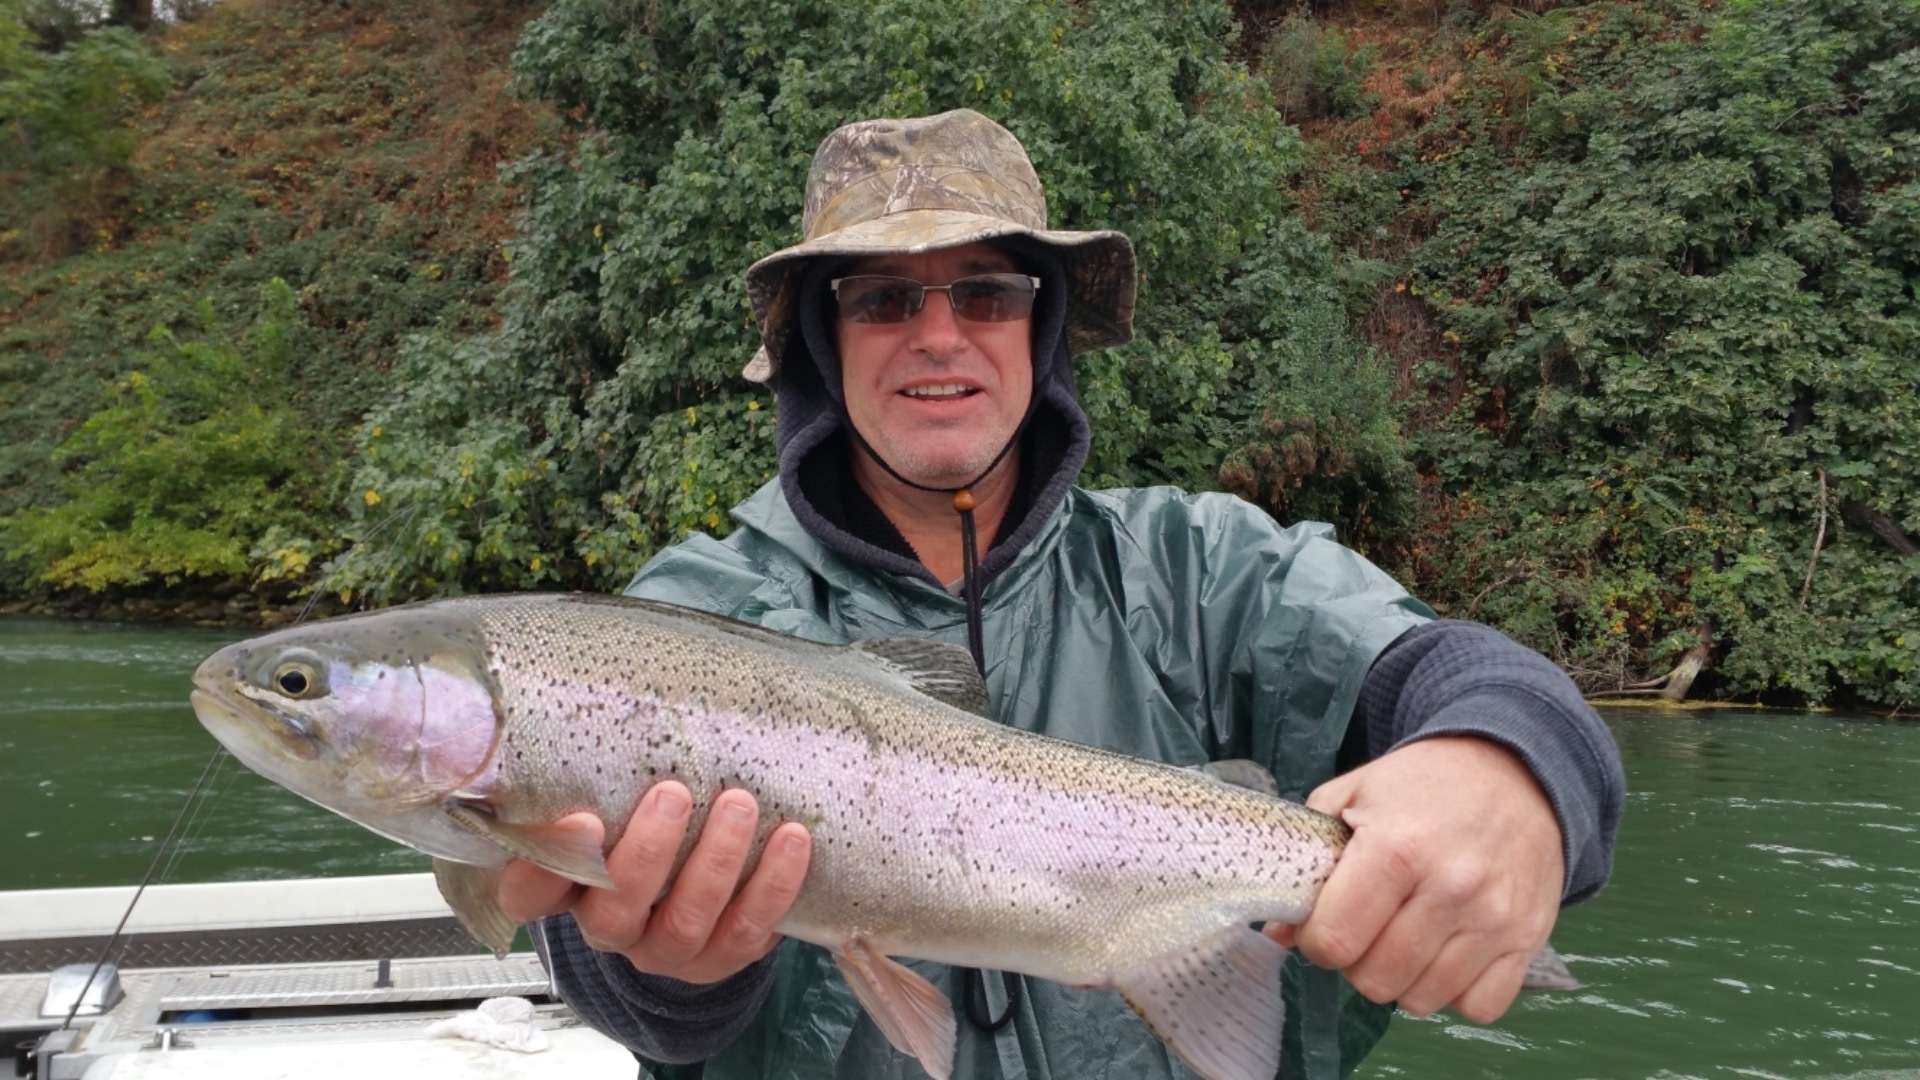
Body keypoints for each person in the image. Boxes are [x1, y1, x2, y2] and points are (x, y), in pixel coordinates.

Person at [498, 109, 1625, 1080]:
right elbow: (601, 976)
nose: (939, 336)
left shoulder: (1200, 566)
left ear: (1042, 328)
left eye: (986, 293)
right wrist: (674, 979)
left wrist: (1510, 768)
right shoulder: (689, 618)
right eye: (883, 300)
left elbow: (1458, 675)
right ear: (819, 340)